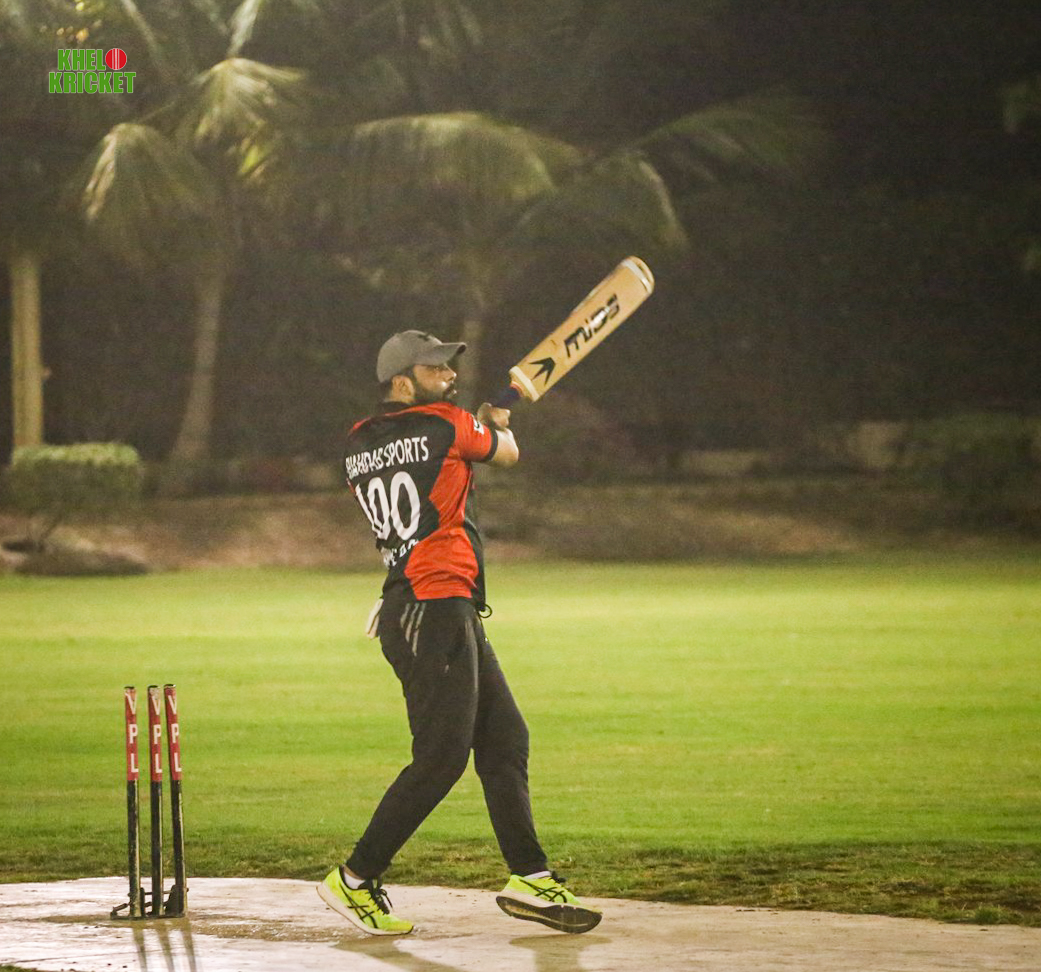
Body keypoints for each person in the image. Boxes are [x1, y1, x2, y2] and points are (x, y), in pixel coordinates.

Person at [317, 330, 601, 936]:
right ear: (402, 382)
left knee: (505, 739)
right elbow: (507, 453)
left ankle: (530, 876)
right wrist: (496, 421)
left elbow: (418, 484)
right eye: (435, 369)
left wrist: (476, 424)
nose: (449, 376)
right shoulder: (447, 423)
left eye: (449, 367)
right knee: (441, 759)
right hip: (433, 606)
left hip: (421, 604)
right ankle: (355, 878)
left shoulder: (357, 440)